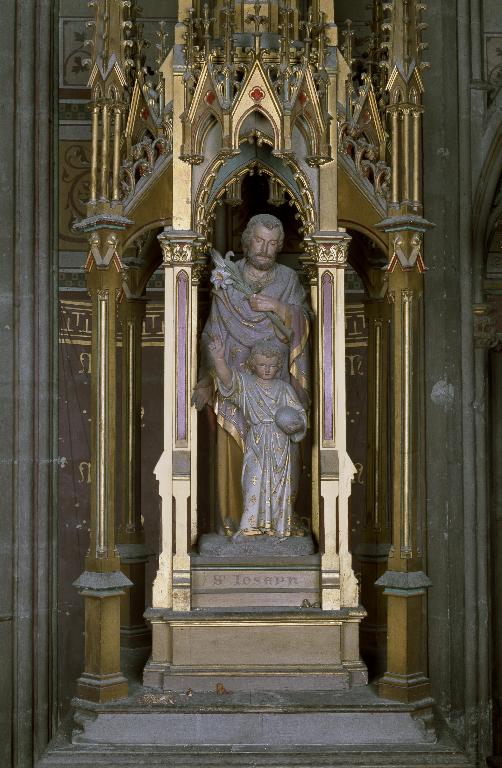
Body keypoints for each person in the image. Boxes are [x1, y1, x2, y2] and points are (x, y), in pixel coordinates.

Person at [192, 213, 311, 532]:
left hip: (276, 387)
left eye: (272, 244)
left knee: (281, 455)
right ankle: (233, 526)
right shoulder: (227, 279)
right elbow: (212, 332)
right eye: (259, 241)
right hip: (233, 382)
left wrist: (277, 307)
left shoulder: (287, 279)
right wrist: (206, 378)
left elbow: (305, 323)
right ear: (247, 240)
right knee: (233, 454)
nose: (264, 249)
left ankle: (277, 523)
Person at [208, 337, 307, 537]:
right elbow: (228, 381)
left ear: (279, 366)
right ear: (253, 364)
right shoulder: (248, 384)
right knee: (254, 479)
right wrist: (219, 359)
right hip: (257, 439)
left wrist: (295, 423)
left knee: (279, 486)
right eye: (262, 365)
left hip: (280, 444)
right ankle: (250, 526)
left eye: (271, 365)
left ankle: (278, 527)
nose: (267, 369)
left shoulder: (284, 388)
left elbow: (300, 414)